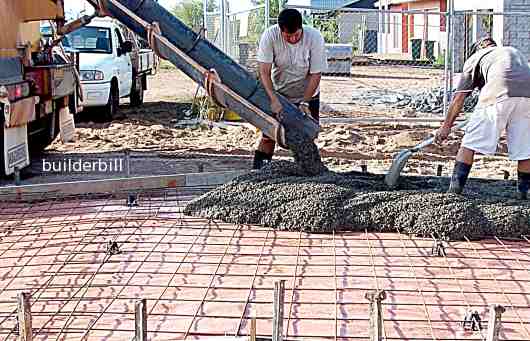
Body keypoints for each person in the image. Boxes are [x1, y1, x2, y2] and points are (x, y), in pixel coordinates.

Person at [435, 37, 530, 199]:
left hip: (498, 93)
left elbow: (459, 98)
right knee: (525, 150)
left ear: (477, 49)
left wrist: (446, 126)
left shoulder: (475, 58)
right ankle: (523, 196)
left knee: (469, 144)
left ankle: (454, 193)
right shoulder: (510, 52)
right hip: (528, 97)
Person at [252, 8, 327, 169]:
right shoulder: (270, 36)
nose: (293, 39)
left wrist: (305, 103)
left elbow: (316, 73)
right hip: (280, 93)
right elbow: (264, 72)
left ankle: (308, 172)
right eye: (288, 36)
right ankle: (259, 170)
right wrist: (273, 99)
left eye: (297, 35)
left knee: (307, 134)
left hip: (308, 93)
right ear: (281, 31)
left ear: (302, 28)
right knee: (268, 134)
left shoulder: (314, 37)